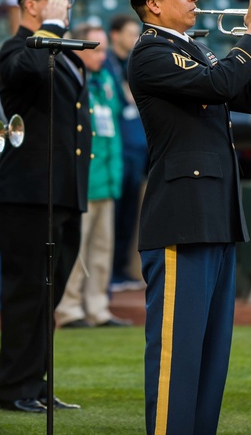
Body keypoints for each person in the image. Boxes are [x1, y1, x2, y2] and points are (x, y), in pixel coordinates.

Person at [125, 0, 251, 434]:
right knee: (179, 359)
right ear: (153, 4)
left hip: (214, 213)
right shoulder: (151, 53)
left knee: (211, 360)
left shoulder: (192, 49)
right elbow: (220, 85)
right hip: (182, 216)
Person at [0, 0, 90, 413]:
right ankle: (15, 387)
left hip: (61, 191)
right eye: (58, 0)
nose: (66, 7)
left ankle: (36, 382)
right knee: (26, 292)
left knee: (48, 293)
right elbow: (29, 70)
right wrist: (49, 26)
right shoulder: (17, 49)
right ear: (31, 4)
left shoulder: (59, 50)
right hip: (29, 193)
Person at [56, 23, 127, 328]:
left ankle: (98, 308)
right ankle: (69, 309)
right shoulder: (71, 82)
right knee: (76, 251)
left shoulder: (107, 80)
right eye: (95, 49)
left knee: (102, 250)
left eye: (103, 49)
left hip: (107, 179)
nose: (102, 55)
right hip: (83, 180)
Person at [106, 15, 147, 292]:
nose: (134, 38)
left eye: (137, 33)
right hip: (115, 152)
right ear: (115, 35)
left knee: (130, 215)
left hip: (136, 152)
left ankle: (121, 269)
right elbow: (121, 100)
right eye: (130, 33)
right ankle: (109, 274)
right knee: (113, 216)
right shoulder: (107, 64)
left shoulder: (136, 63)